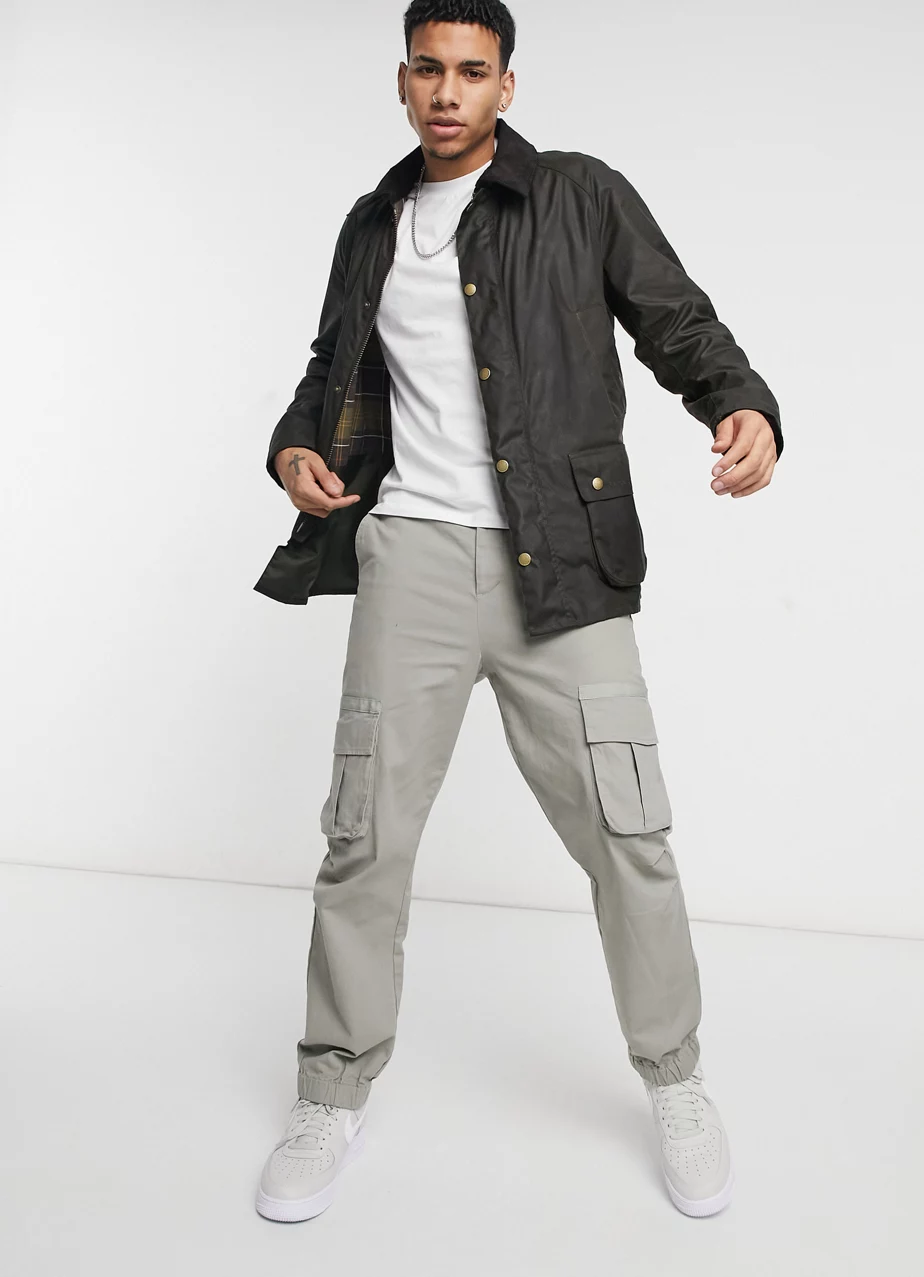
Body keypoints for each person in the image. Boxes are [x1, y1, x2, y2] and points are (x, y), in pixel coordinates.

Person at [254, 0, 783, 1224]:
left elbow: (677, 319)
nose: (447, 92)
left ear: (505, 84)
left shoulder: (578, 195)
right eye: (427, 70)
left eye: (471, 71)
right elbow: (330, 368)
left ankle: (675, 1078)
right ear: (402, 81)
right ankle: (331, 1089)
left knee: (627, 829)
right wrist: (292, 446)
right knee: (363, 835)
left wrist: (739, 402)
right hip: (411, 559)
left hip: (565, 563)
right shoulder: (371, 223)